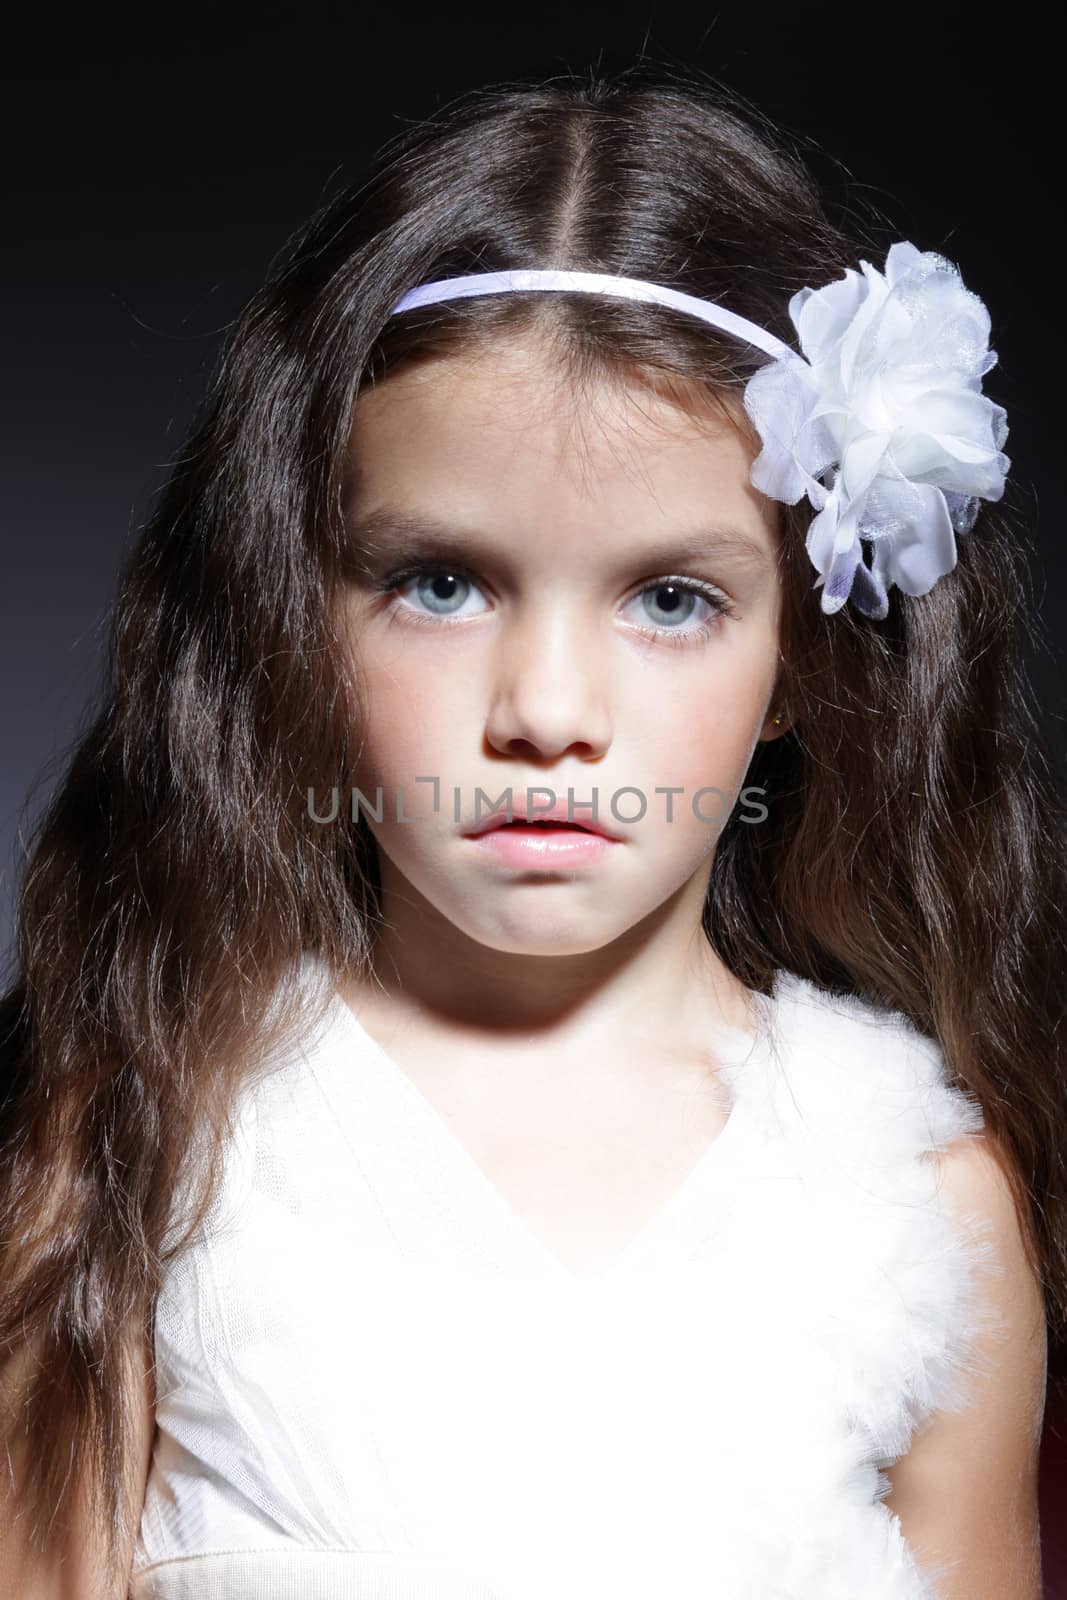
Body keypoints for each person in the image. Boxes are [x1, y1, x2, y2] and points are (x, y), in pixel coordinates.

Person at [1, 63, 1061, 1600]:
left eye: (673, 599)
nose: (549, 710)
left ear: (805, 661)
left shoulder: (917, 1205)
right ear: (297, 610)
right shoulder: (142, 1134)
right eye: (441, 581)